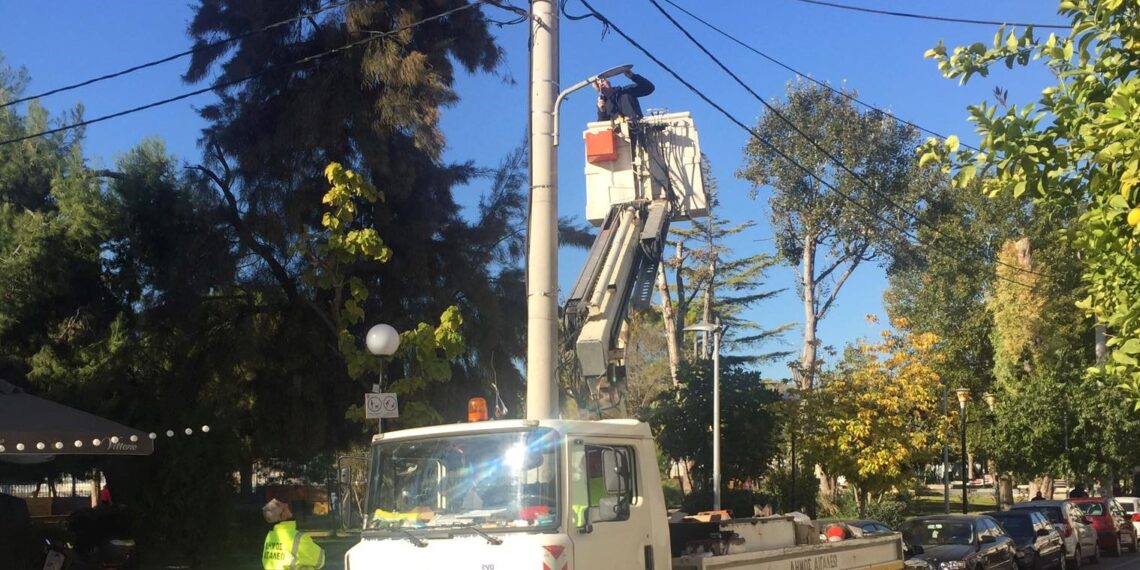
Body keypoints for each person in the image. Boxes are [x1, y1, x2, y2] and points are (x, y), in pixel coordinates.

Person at [262, 499, 325, 570]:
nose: (287, 505)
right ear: (283, 516)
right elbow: (320, 560)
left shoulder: (270, 536)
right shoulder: (298, 538)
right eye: (284, 507)